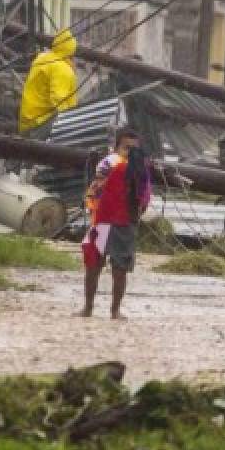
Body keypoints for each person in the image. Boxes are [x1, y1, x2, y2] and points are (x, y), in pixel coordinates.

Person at [78, 128, 151, 319]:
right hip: (102, 220)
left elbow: (144, 197)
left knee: (120, 269)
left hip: (125, 223)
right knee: (93, 265)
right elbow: (95, 189)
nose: (130, 152)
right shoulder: (109, 164)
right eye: (126, 148)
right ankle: (88, 307)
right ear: (117, 148)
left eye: (134, 149)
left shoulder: (140, 170)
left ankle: (114, 310)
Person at [18, 29, 79, 139]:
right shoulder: (62, 68)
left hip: (27, 124)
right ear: (72, 51)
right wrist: (73, 124)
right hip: (40, 125)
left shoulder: (42, 58)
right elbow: (59, 101)